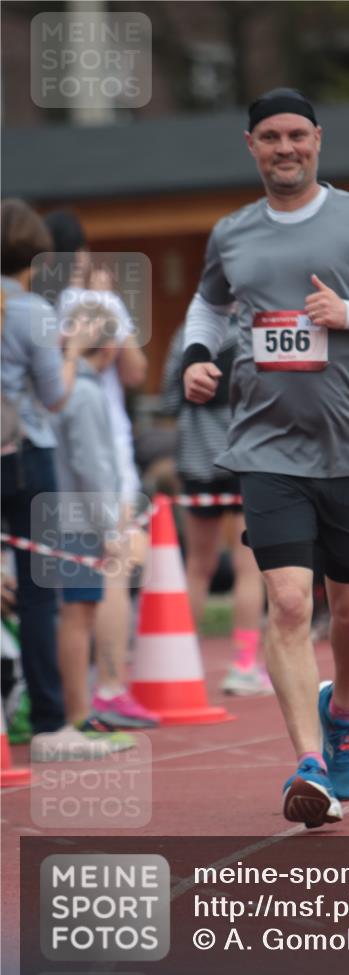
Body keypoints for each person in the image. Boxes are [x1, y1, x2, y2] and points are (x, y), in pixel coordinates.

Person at [182, 87, 349, 827]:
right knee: (290, 602)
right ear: (250, 146)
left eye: (296, 135)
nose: (283, 148)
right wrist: (199, 354)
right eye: (269, 137)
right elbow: (208, 303)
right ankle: (309, 766)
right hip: (265, 444)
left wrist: (348, 314)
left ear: (318, 140)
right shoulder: (232, 233)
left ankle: (343, 712)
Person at [43, 210, 155, 727]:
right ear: (80, 254)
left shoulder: (27, 303)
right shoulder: (97, 303)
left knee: (58, 582)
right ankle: (105, 689)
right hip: (99, 443)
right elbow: (134, 371)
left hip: (45, 450)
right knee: (110, 565)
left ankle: (60, 700)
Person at [31, 305, 135, 760]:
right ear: (110, 349)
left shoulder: (58, 389)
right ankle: (75, 714)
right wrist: (109, 524)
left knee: (68, 613)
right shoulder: (88, 396)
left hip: (56, 513)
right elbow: (92, 467)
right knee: (79, 614)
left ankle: (70, 709)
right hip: (77, 519)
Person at [1, 199, 80, 743]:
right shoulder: (31, 310)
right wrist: (71, 350)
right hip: (26, 453)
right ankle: (51, 722)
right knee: (38, 589)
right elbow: (54, 397)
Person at [161, 324, 270, 695]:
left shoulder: (185, 336)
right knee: (249, 568)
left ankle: (180, 663)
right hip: (246, 458)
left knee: (197, 566)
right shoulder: (255, 333)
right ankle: (243, 665)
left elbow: (170, 400)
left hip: (197, 461)